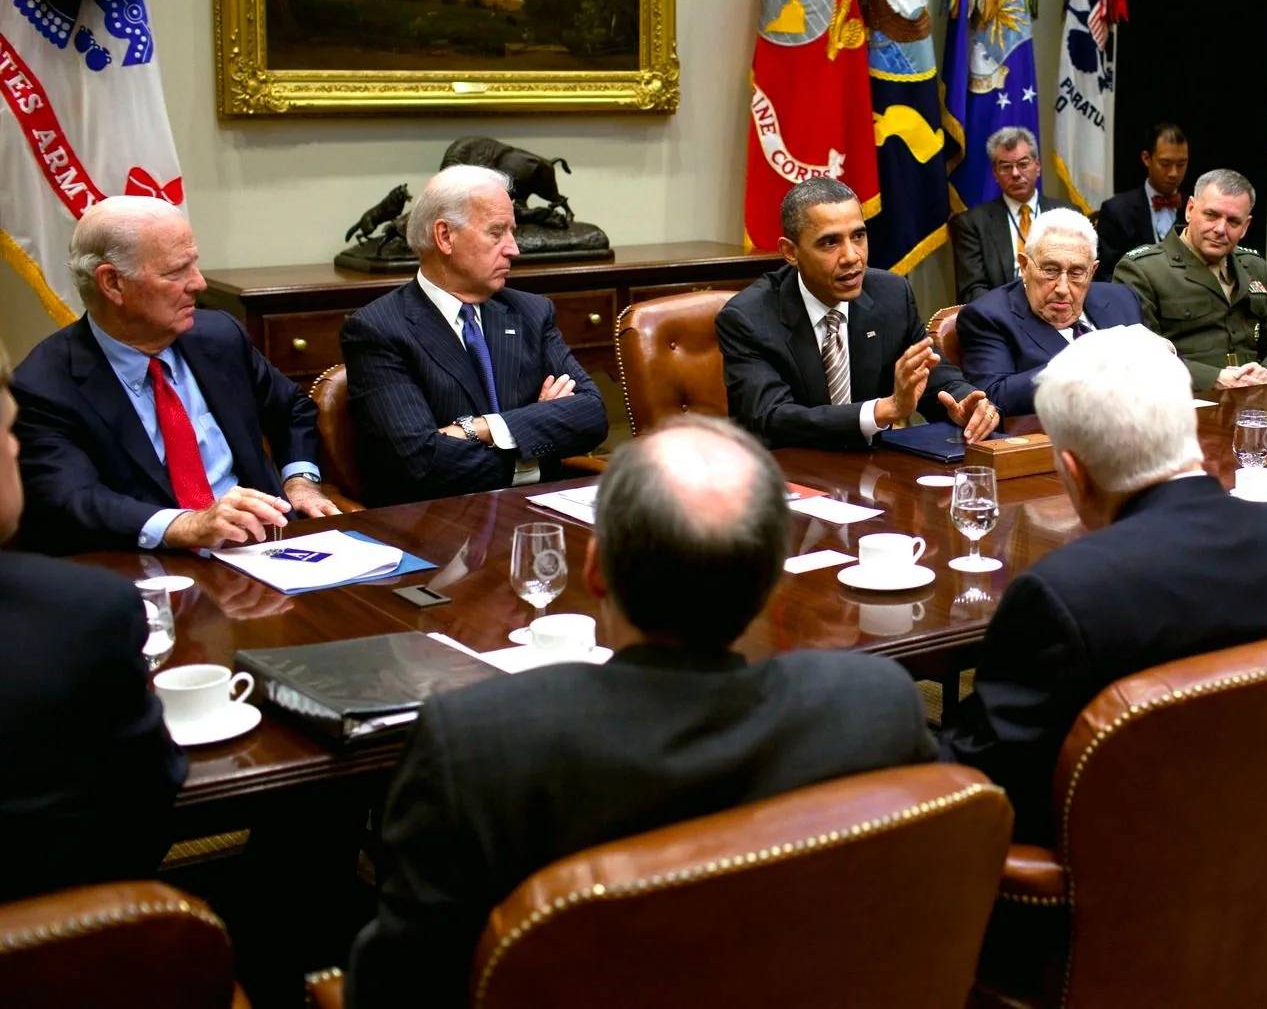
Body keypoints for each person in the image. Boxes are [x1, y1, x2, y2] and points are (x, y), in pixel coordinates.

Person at [346, 418, 938, 1008]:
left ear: (595, 569)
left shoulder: (477, 745)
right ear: (772, 584)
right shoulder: (876, 704)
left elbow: (397, 989)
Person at [942, 326, 1267, 843]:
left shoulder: (1064, 592)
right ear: (1193, 436)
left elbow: (977, 782)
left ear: (1074, 473)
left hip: (1111, 888)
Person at [12, 196, 336, 553]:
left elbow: (291, 408)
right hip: (152, 569)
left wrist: (301, 481)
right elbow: (72, 498)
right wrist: (183, 524)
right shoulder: (45, 385)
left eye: (194, 265)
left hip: (269, 549)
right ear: (112, 283)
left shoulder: (219, 337)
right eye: (176, 271)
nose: (198, 283)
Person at [0, 340, 187, 901]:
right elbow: (143, 815)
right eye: (9, 432)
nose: (17, 450)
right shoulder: (80, 615)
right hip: (71, 956)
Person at [341, 166, 608, 506]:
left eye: (512, 232)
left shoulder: (531, 312)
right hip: (437, 525)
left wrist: (478, 429)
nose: (513, 249)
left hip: (537, 514)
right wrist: (537, 442)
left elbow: (592, 415)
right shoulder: (379, 329)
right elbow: (421, 463)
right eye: (497, 233)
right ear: (445, 237)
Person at [720, 177, 999, 449]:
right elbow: (771, 418)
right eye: (830, 242)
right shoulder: (749, 317)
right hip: (790, 478)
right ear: (790, 252)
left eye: (858, 236)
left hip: (872, 476)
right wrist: (881, 411)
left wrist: (963, 402)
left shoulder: (891, 295)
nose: (852, 256)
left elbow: (933, 378)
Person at [1113, 169, 1267, 389]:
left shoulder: (1253, 267)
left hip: (1256, 399)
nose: (1220, 229)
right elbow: (1135, 355)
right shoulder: (1143, 269)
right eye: (1211, 215)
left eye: (1233, 221)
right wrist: (1214, 378)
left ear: (1245, 227)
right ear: (1189, 210)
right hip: (1185, 402)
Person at [957, 208, 1146, 416]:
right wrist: (1088, 359)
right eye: (1050, 270)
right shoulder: (988, 316)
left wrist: (1163, 352)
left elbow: (1169, 374)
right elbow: (993, 397)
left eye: (1076, 272)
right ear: (1024, 266)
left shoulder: (1122, 299)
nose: (1063, 288)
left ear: (1092, 271)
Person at [949, 126, 1076, 303]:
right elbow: (973, 290)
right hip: (1002, 319)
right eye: (1006, 167)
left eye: (1023, 164)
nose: (1015, 174)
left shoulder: (1067, 216)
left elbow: (1080, 275)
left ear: (1037, 166)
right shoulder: (973, 224)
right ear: (995, 173)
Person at [1094, 121, 1190, 278]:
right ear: (1146, 158)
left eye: (1181, 164)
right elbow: (1105, 273)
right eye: (1165, 164)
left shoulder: (1197, 208)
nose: (1174, 173)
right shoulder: (1116, 210)